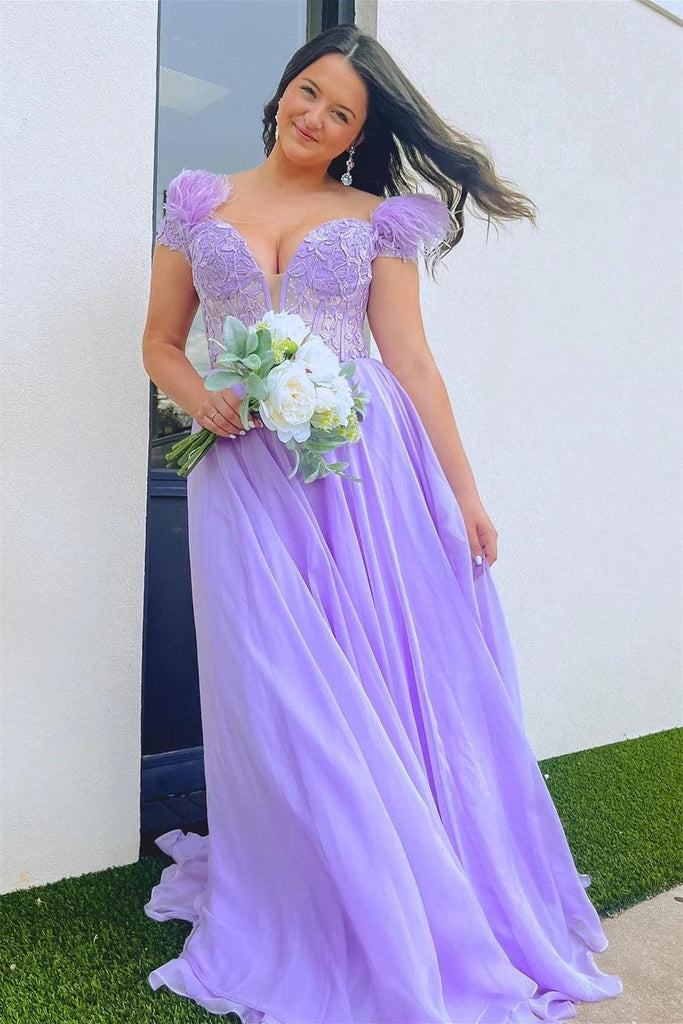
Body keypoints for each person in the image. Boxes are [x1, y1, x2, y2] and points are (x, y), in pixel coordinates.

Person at [141, 23, 623, 1024]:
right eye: (307, 93)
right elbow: (159, 340)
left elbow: (409, 363)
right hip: (242, 476)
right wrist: (200, 397)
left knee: (368, 680)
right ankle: (306, 886)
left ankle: (397, 887)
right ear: (281, 90)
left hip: (359, 477)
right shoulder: (198, 203)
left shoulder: (375, 222)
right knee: (276, 688)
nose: (315, 117)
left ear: (360, 134)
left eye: (342, 112)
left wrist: (465, 495)